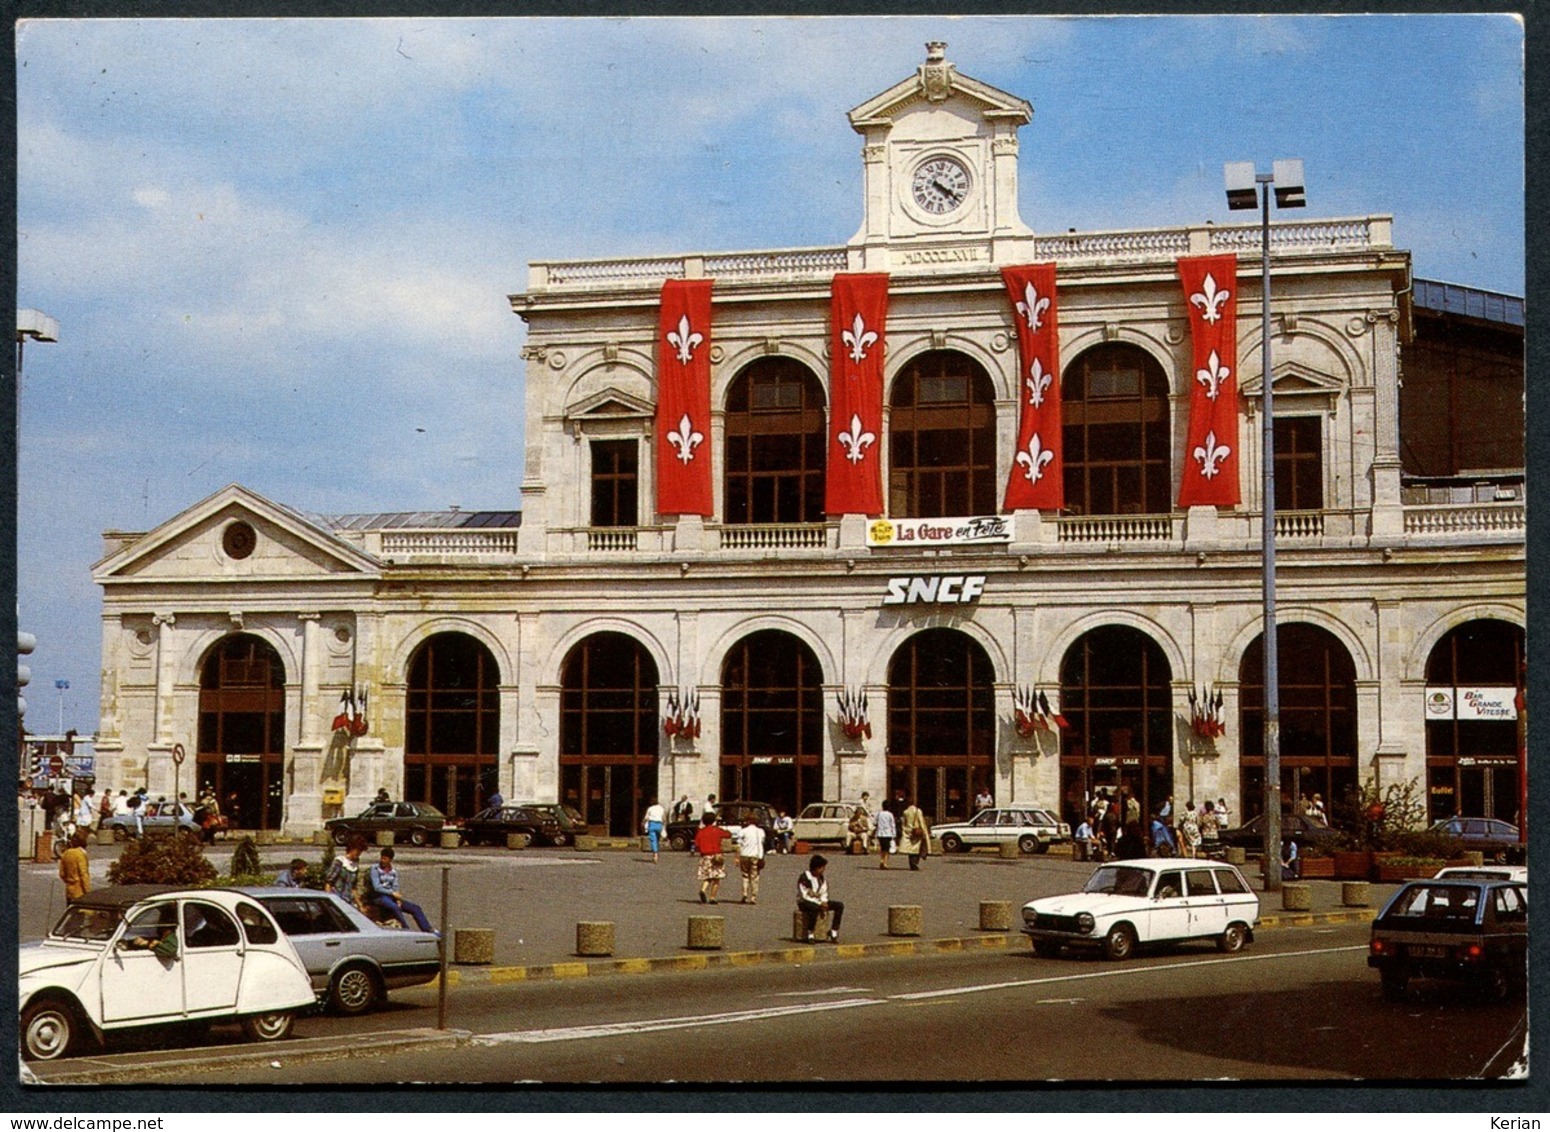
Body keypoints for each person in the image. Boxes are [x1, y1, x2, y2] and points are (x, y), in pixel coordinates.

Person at [366, 847, 436, 933]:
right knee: (394, 907)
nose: (382, 861)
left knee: (415, 908)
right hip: (378, 896)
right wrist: (392, 893)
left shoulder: (393, 872)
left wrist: (398, 899)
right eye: (382, 858)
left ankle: (427, 929)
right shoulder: (375, 869)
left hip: (391, 896)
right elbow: (377, 887)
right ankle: (406, 928)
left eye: (385, 859)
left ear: (390, 860)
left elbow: (395, 886)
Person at [796, 854, 844, 944]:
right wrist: (819, 904)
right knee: (814, 909)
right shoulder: (804, 878)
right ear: (816, 868)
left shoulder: (821, 878)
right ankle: (810, 933)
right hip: (805, 902)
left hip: (819, 902)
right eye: (822, 868)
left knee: (839, 906)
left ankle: (834, 931)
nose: (823, 870)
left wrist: (824, 901)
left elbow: (823, 892)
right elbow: (805, 896)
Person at [694, 812, 732, 904]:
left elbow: (696, 844)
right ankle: (712, 897)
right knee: (716, 878)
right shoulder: (716, 830)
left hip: (705, 856)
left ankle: (703, 889)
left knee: (707, 877)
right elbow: (728, 834)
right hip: (716, 855)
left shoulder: (701, 832)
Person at [326, 835, 369, 910]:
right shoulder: (339, 862)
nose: (359, 853)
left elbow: (353, 888)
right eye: (357, 850)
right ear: (351, 848)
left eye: (360, 851)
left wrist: (360, 905)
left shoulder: (355, 866)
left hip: (348, 902)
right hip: (337, 901)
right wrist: (329, 903)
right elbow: (328, 884)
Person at [735, 815, 766, 904]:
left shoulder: (743, 831)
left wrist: (737, 857)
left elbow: (738, 845)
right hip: (756, 856)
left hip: (744, 855)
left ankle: (744, 893)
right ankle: (753, 897)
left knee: (745, 876)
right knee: (754, 877)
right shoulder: (761, 831)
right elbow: (762, 843)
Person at [58, 830, 91, 902]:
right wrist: (88, 892)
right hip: (80, 891)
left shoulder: (66, 853)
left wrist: (69, 880)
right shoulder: (80, 854)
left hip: (69, 891)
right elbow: (83, 874)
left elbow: (62, 874)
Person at [900, 796, 930, 871]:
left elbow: (903, 823)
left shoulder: (905, 812)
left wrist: (905, 831)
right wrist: (924, 831)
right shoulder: (918, 811)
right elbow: (921, 822)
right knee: (916, 848)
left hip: (909, 831)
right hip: (917, 831)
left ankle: (911, 863)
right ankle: (915, 863)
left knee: (910, 849)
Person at [874, 804, 897, 868]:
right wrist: (894, 834)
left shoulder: (878, 814)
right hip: (888, 833)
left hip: (880, 833)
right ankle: (885, 862)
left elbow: (874, 823)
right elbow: (892, 825)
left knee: (882, 848)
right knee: (887, 849)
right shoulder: (890, 815)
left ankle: (881, 860)